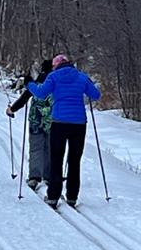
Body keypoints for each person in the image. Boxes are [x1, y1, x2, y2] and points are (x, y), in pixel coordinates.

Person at [27, 54, 101, 208]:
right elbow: (95, 95)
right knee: (74, 161)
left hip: (59, 122)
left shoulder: (53, 77)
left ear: (56, 66)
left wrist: (29, 84)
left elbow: (41, 93)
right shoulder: (81, 77)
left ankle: (53, 196)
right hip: (79, 123)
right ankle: (72, 197)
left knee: (56, 160)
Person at [6, 59, 54, 191]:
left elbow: (24, 98)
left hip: (36, 120)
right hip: (53, 121)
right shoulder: (56, 83)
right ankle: (49, 176)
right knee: (51, 148)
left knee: (36, 148)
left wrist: (12, 109)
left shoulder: (37, 83)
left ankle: (34, 177)